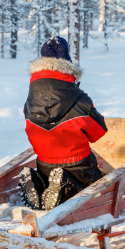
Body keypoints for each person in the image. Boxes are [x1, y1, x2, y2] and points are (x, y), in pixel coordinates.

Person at [20, 37, 108, 210]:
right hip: (80, 166)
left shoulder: (30, 101)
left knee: (49, 176)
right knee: (93, 187)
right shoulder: (80, 99)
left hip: (44, 164)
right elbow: (99, 133)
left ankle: (40, 185)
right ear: (67, 64)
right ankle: (64, 184)